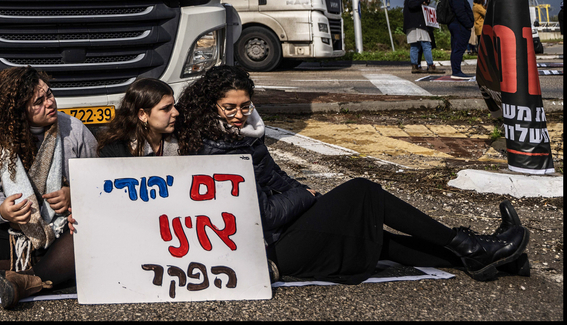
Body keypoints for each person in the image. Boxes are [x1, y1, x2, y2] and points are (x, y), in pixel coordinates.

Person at [174, 65, 531, 284]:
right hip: (267, 250)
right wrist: (305, 198)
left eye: (245, 106)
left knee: (372, 237)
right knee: (363, 191)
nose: (239, 115)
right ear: (210, 106)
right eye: (230, 108)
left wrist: (309, 194)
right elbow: (261, 214)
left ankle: (492, 257)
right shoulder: (213, 150)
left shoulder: (242, 134)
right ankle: (469, 245)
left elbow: (274, 177)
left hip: (284, 231)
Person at [0, 67, 97, 309]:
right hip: (19, 228)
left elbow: (101, 180)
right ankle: (54, 266)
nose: (50, 102)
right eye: (39, 102)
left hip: (62, 223)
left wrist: (74, 194)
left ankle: (27, 280)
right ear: (18, 112)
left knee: (88, 232)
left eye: (49, 94)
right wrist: (2, 210)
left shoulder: (74, 129)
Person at [95, 78, 179, 158]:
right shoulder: (116, 150)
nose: (176, 113)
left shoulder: (183, 140)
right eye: (166, 108)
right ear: (142, 115)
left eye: (173, 105)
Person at [443, 0, 475, 79]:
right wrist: (468, 24)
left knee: (456, 48)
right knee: (458, 48)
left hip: (455, 24)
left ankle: (456, 70)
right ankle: (456, 72)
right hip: (459, 25)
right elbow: (460, 12)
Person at [403, 0, 439, 74]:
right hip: (419, 27)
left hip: (411, 27)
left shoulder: (408, 3)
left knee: (414, 46)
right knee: (426, 45)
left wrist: (425, 1)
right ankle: (430, 65)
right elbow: (414, 5)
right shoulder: (411, 2)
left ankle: (415, 65)